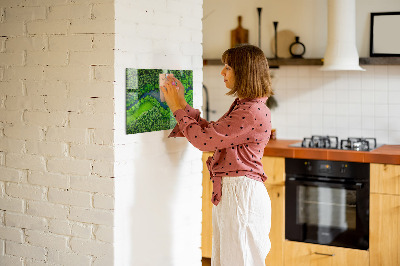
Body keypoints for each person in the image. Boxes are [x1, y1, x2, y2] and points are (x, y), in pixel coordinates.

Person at [161, 44, 273, 266]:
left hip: (241, 195)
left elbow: (204, 141)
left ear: (244, 72)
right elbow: (212, 133)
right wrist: (182, 103)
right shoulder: (246, 106)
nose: (222, 72)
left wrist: (176, 108)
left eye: (228, 67)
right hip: (236, 193)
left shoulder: (250, 111)